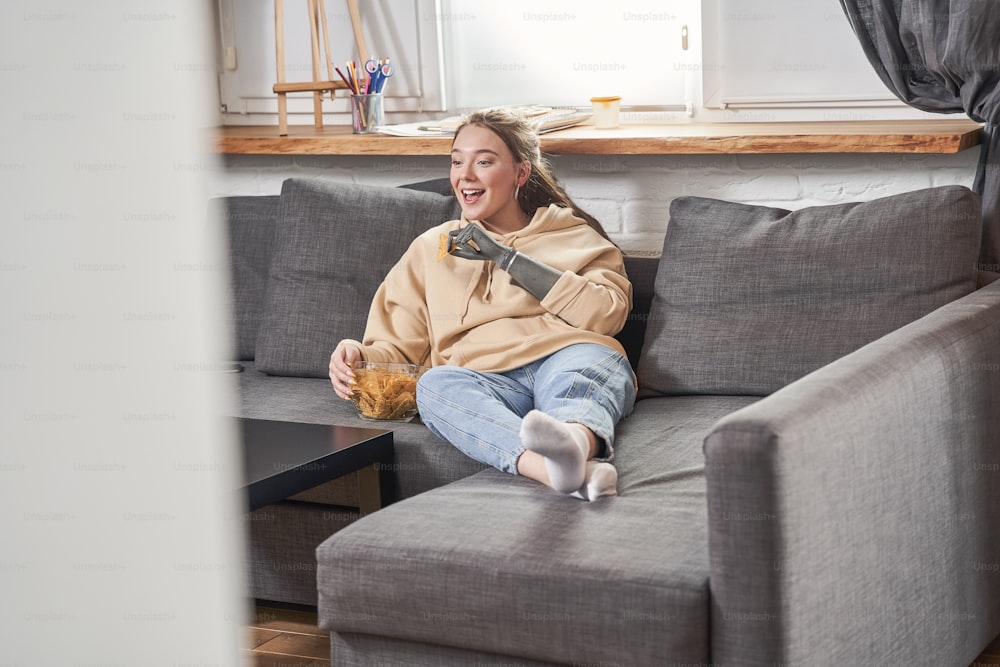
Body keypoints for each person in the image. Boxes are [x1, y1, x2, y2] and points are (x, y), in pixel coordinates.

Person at [328, 108, 635, 501]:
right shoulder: (432, 249)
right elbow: (401, 349)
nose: (464, 175)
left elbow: (607, 316)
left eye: (484, 161)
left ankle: (573, 443)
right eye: (457, 161)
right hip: (486, 379)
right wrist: (358, 355)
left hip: (567, 353)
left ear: (521, 174)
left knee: (581, 372)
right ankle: (559, 468)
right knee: (435, 386)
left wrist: (507, 258)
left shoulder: (573, 234)